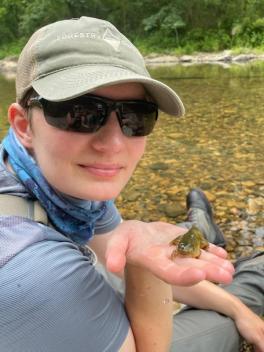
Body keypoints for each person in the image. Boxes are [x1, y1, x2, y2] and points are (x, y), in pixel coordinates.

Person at [0, 16, 235, 352]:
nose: (112, 145)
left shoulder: (54, 179)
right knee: (246, 290)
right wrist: (145, 269)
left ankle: (200, 227)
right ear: (23, 126)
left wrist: (240, 312)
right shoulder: (32, 271)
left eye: (136, 115)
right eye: (80, 114)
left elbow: (123, 249)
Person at [98, 188, 264, 352]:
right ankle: (255, 269)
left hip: (119, 308)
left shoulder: (84, 206)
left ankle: (199, 227)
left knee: (166, 243)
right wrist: (142, 270)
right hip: (138, 340)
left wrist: (238, 309)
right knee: (244, 295)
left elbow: (112, 246)